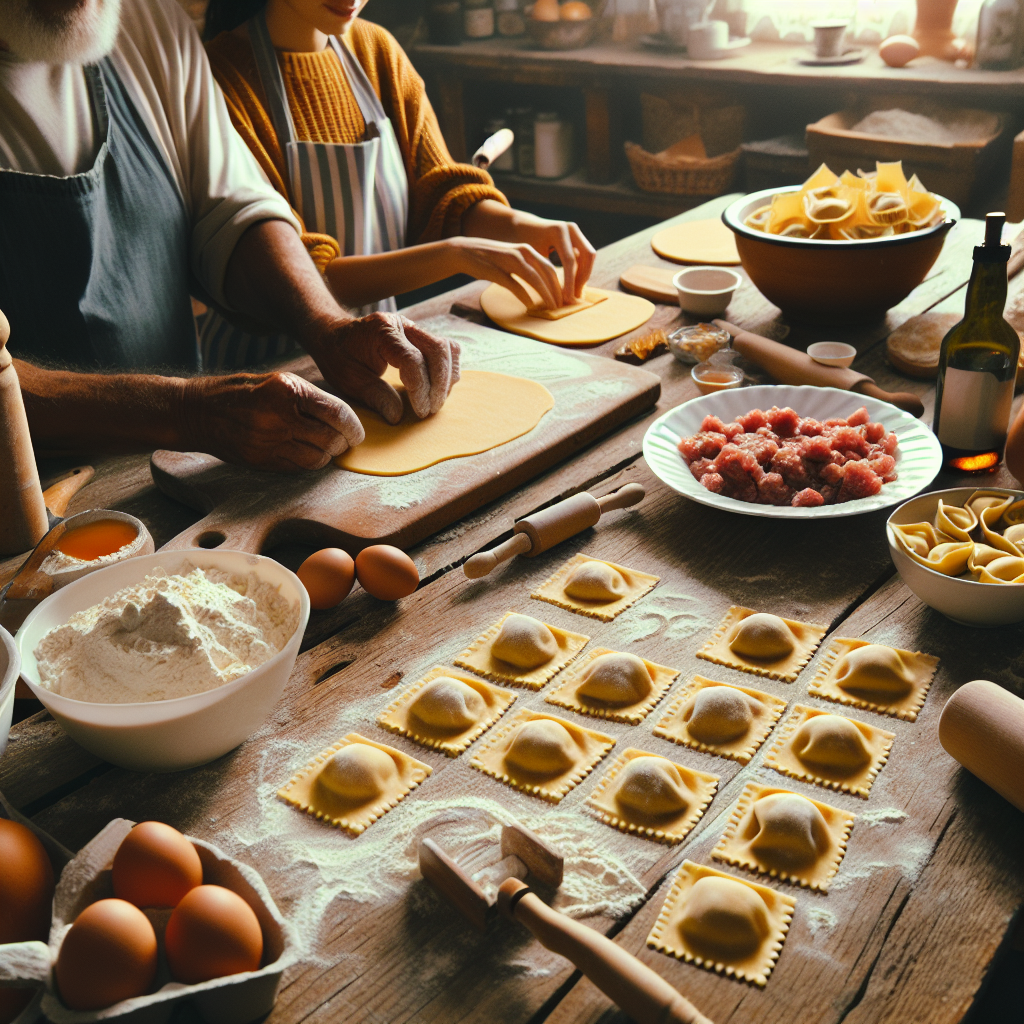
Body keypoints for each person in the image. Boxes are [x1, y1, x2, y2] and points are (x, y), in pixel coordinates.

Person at [0, 0, 458, 472]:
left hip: (175, 468)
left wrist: (328, 327)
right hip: (19, 498)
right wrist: (189, 411)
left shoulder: (147, 24)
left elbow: (232, 211)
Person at [201, 0, 597, 367]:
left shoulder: (376, 51)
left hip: (381, 350)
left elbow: (441, 193)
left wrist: (521, 227)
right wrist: (455, 254)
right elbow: (292, 280)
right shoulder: (218, 79)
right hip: (269, 369)